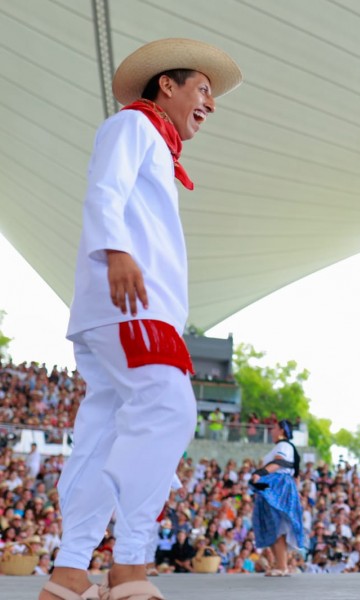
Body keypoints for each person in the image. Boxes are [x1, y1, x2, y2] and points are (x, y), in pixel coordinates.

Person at [39, 38, 242, 600]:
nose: (211, 101)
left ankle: (69, 572)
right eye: (203, 88)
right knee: (167, 407)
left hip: (122, 308)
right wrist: (118, 252)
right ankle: (129, 565)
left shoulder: (154, 138)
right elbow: (104, 189)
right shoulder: (135, 126)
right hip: (132, 303)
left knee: (103, 436)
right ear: (166, 85)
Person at [250, 418, 305, 577]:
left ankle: (282, 565)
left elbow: (281, 464)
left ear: (281, 430)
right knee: (274, 525)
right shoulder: (284, 447)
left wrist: (260, 474)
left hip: (276, 485)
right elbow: (295, 473)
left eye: (274, 427)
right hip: (275, 485)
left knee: (277, 526)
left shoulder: (284, 446)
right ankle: (280, 563)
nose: (271, 430)